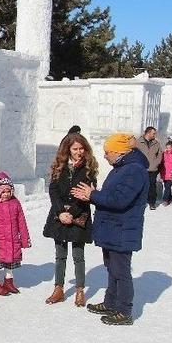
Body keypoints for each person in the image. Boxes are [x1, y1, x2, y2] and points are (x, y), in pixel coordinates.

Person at [72, 133, 149, 326]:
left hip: (122, 229)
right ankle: (110, 302)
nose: (105, 156)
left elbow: (119, 200)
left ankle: (124, 310)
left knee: (121, 271)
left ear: (119, 151)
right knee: (112, 268)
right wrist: (92, 195)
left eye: (108, 152)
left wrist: (92, 195)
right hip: (112, 228)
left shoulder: (134, 170)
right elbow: (110, 195)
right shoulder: (121, 168)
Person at [43, 133, 98, 306]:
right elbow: (53, 190)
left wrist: (72, 213)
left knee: (78, 255)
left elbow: (85, 196)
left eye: (81, 148)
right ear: (68, 149)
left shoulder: (88, 168)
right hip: (59, 216)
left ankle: (79, 291)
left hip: (79, 216)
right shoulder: (59, 166)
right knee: (60, 255)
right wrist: (60, 212)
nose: (79, 152)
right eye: (75, 149)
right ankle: (58, 289)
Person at [0, 172, 31, 296]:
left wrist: (24, 239)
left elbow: (21, 221)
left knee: (10, 262)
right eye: (3, 191)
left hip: (12, 239)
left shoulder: (15, 203)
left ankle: (8, 281)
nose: (6, 194)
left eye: (8, 191)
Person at [135, 126, 162, 209]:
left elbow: (160, 154)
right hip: (141, 168)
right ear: (148, 133)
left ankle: (152, 203)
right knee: (139, 186)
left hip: (152, 169)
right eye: (153, 133)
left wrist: (156, 163)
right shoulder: (138, 142)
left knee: (152, 186)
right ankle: (139, 202)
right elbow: (134, 154)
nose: (155, 135)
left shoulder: (156, 143)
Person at [160, 140, 172, 206]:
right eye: (167, 148)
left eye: (169, 148)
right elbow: (162, 163)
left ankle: (165, 200)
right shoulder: (164, 153)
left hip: (171, 173)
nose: (168, 149)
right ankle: (169, 198)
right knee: (166, 186)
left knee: (167, 187)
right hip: (164, 172)